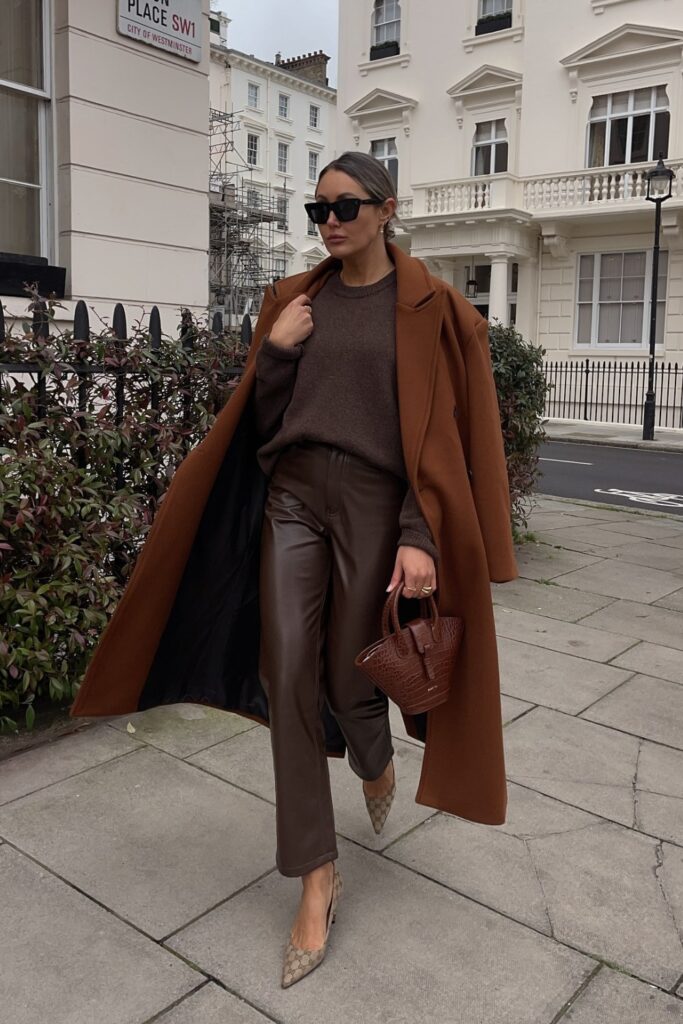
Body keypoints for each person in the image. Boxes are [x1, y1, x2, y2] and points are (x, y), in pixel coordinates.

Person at [253, 151, 439, 987]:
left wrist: (418, 532)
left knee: (346, 672)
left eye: (345, 207)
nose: (328, 222)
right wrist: (275, 354)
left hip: (373, 500)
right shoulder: (296, 302)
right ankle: (315, 875)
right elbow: (261, 418)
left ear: (386, 210)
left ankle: (373, 755)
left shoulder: (427, 308)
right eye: (316, 210)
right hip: (292, 494)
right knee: (287, 662)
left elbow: (438, 441)